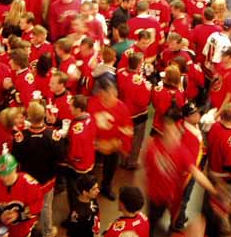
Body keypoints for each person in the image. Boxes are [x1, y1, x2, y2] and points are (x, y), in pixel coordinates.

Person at [144, 103, 216, 235]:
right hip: (155, 196)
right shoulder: (153, 147)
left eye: (175, 132)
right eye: (170, 131)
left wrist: (213, 190)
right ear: (164, 131)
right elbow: (147, 169)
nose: (173, 135)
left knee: (167, 221)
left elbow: (196, 172)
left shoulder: (181, 152)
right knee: (152, 222)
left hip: (171, 196)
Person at [12, 101, 66, 237]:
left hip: (27, 180)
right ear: (43, 116)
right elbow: (61, 156)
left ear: (29, 117)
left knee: (27, 205)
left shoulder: (20, 136)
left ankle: (29, 228)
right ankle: (47, 232)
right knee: (46, 206)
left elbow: (15, 158)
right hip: (47, 179)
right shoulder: (53, 135)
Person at [87, 81, 133, 201]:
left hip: (112, 145)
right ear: (102, 93)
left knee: (111, 166)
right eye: (109, 95)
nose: (112, 98)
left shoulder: (122, 108)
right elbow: (87, 125)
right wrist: (96, 143)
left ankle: (106, 186)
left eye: (114, 94)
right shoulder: (92, 103)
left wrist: (116, 144)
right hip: (94, 143)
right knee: (89, 168)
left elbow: (127, 131)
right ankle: (88, 188)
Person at [0, 149, 44, 237]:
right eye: (1, 174)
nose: (4, 178)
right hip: (2, 232)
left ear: (15, 168)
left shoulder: (30, 184)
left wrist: (19, 215)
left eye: (8, 173)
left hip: (23, 231)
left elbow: (37, 206)